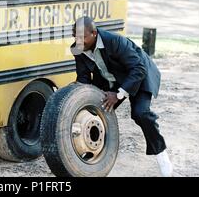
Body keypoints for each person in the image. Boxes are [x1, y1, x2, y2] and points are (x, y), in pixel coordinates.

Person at [71, 16, 173, 177]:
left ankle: (161, 154)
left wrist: (119, 95)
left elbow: (138, 68)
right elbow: (83, 78)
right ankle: (94, 157)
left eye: (82, 37)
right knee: (95, 112)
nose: (78, 41)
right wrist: (77, 95)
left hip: (138, 75)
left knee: (140, 114)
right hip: (110, 79)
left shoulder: (115, 41)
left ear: (94, 33)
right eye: (75, 36)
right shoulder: (77, 48)